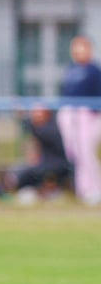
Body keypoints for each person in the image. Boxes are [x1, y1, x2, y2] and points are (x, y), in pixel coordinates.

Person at [0, 105, 73, 202]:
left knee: (26, 172)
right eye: (34, 114)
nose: (35, 117)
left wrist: (23, 117)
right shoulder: (44, 128)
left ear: (47, 115)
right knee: (20, 169)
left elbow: (34, 129)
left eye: (38, 114)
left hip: (56, 166)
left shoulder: (50, 129)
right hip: (45, 165)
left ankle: (3, 188)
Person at [57, 35, 101, 205]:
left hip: (88, 116)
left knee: (86, 153)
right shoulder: (71, 69)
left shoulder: (94, 71)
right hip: (71, 115)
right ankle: (82, 189)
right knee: (76, 155)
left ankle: (95, 189)